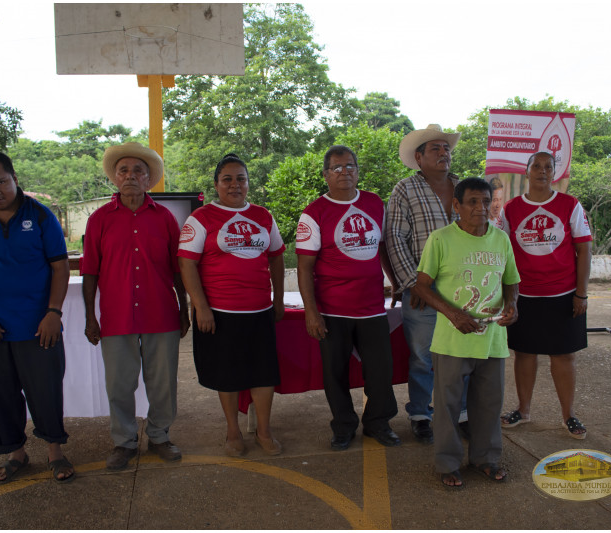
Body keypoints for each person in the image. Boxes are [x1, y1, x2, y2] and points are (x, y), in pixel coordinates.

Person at [0, 151, 75, 483]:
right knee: (2, 394)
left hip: (39, 328)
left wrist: (53, 312)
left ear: (15, 179)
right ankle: (15, 454)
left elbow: (59, 267)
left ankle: (55, 453)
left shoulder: (40, 217)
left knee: (45, 391)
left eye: (1, 182)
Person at [81, 142, 190, 470]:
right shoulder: (99, 220)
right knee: (119, 385)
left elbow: (177, 269)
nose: (130, 176)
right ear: (115, 177)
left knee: (163, 383)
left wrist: (184, 310)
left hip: (161, 313)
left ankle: (160, 436)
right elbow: (89, 271)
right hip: (116, 317)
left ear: (148, 179)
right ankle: (124, 442)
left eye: (138, 171)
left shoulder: (166, 219)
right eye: (124, 170)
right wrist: (90, 316)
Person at [413, 177, 520, 488]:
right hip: (451, 340)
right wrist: (453, 314)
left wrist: (513, 305)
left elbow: (511, 280)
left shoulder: (500, 239)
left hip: (493, 339)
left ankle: (485, 459)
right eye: (472, 201)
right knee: (446, 406)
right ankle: (447, 463)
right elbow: (421, 285)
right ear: (456, 206)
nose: (480, 208)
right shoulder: (441, 239)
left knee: (488, 404)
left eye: (485, 201)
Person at [178, 154, 286, 457]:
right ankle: (232, 431)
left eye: (241, 178)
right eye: (227, 179)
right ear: (216, 184)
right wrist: (201, 307)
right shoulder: (201, 218)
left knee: (264, 374)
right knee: (227, 375)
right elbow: (187, 265)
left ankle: (264, 432)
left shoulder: (263, 215)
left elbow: (276, 255)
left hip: (259, 310)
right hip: (220, 313)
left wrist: (277, 299)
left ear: (248, 183)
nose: (235, 184)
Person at [297, 145, 399, 451]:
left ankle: (378, 423)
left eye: (350, 166)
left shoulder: (374, 203)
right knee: (335, 372)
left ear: (357, 170)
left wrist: (394, 282)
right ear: (326, 174)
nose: (345, 172)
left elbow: (382, 248)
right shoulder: (314, 213)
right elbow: (304, 267)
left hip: (371, 308)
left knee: (380, 371)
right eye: (338, 168)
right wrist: (311, 311)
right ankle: (343, 426)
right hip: (333, 309)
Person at [496, 151, 592, 439]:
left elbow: (584, 249)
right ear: (527, 172)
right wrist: (504, 295)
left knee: (563, 356)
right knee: (524, 354)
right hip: (524, 295)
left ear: (555, 173)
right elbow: (501, 251)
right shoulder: (511, 209)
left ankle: (569, 415)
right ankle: (523, 411)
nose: (542, 171)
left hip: (563, 294)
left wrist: (581, 294)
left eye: (548, 167)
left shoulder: (569, 205)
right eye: (536, 166)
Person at [384, 124, 464, 444]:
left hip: (463, 289)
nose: (443, 153)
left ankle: (463, 413)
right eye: (435, 149)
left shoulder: (464, 188)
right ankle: (420, 413)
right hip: (421, 292)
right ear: (419, 157)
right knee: (422, 356)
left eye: (446, 149)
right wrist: (413, 284)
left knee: (463, 353)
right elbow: (394, 239)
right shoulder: (404, 189)